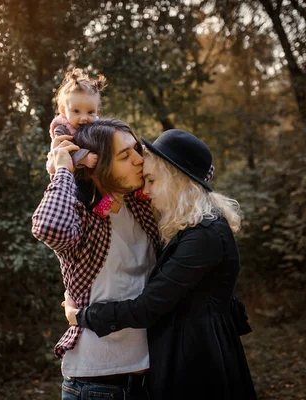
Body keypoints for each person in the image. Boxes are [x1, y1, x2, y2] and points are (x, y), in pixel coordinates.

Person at [64, 129, 258, 399]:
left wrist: (82, 316)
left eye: (152, 180)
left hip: (198, 359)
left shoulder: (204, 234)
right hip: (190, 349)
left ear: (174, 181)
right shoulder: (196, 224)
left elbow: (148, 307)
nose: (146, 189)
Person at [32, 118, 163, 399]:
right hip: (97, 382)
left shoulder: (142, 206)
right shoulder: (81, 218)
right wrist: (63, 171)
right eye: (125, 155)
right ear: (96, 167)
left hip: (154, 373)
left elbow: (196, 174)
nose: (139, 160)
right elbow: (49, 227)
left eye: (137, 150)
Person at [46, 68, 107, 176]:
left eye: (90, 112)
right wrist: (84, 158)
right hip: (71, 178)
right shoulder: (62, 128)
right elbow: (65, 151)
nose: (84, 118)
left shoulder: (98, 126)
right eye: (76, 111)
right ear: (63, 111)